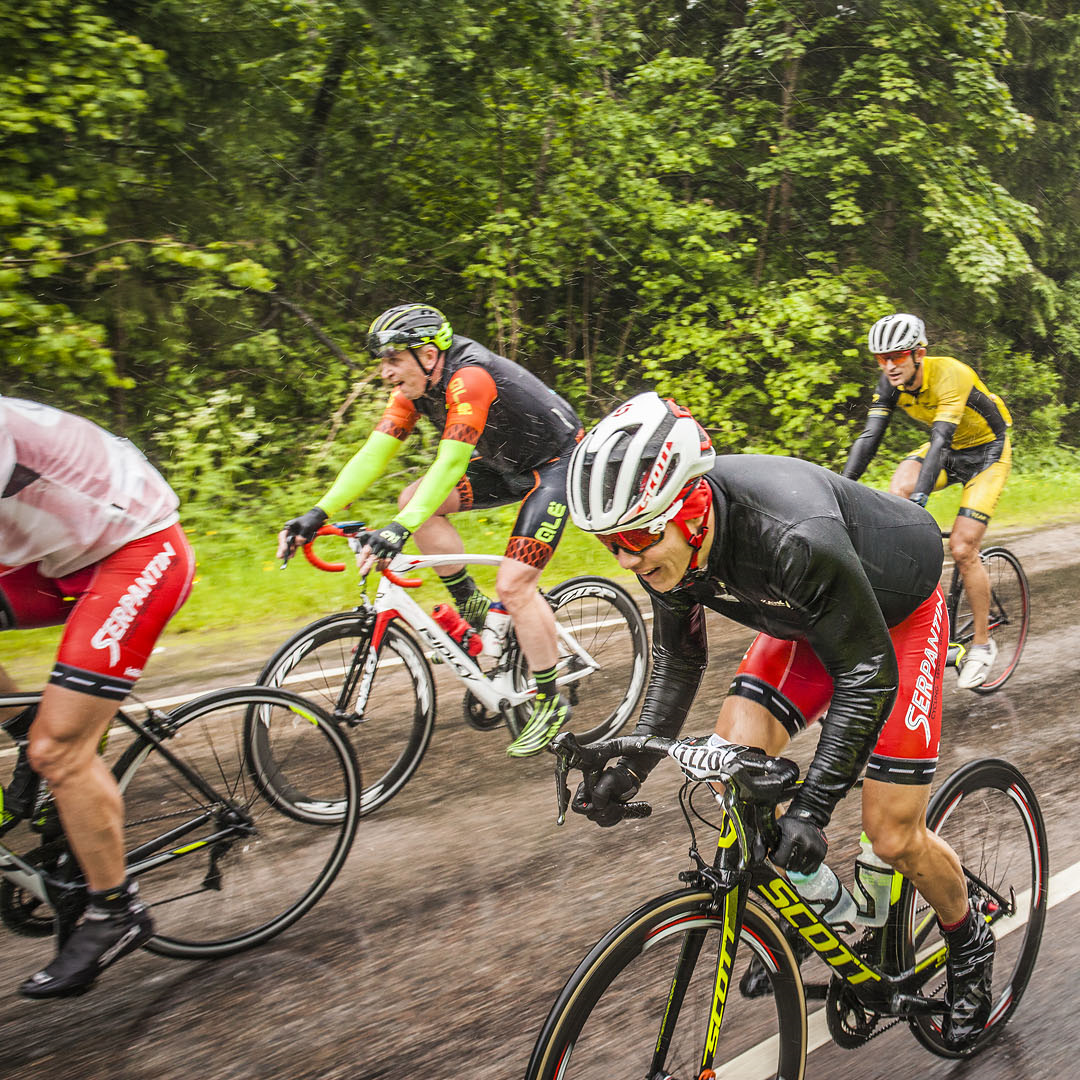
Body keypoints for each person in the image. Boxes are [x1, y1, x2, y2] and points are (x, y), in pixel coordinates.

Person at [568, 393, 996, 1049]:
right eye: (608, 543)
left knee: (890, 833)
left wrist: (814, 810)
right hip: (805, 617)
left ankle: (969, 942)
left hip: (893, 623)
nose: (625, 560)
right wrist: (627, 768)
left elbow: (867, 676)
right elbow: (679, 663)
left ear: (690, 508)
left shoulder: (790, 536)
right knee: (725, 764)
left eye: (635, 538)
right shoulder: (670, 551)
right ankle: (818, 909)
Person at [276, 303, 584, 757]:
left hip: (558, 466)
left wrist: (399, 530)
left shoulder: (469, 378)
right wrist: (318, 512)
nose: (385, 373)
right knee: (413, 499)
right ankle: (470, 603)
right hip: (505, 464)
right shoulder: (414, 390)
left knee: (516, 585)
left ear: (426, 354)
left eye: (392, 360)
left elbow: (451, 462)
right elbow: (372, 455)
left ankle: (549, 700)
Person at [0, 398, 196, 998]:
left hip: (138, 551)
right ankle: (34, 734)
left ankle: (115, 910)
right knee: (46, 743)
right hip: (59, 553)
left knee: (60, 750)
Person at [842, 313, 1011, 689]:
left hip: (987, 454)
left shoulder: (951, 373)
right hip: (950, 452)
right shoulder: (889, 383)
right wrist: (838, 487)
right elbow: (870, 437)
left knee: (964, 547)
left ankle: (982, 645)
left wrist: (920, 500)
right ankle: (910, 601)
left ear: (919, 353)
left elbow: (940, 441)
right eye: (880, 358)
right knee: (895, 491)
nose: (889, 365)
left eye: (897, 355)